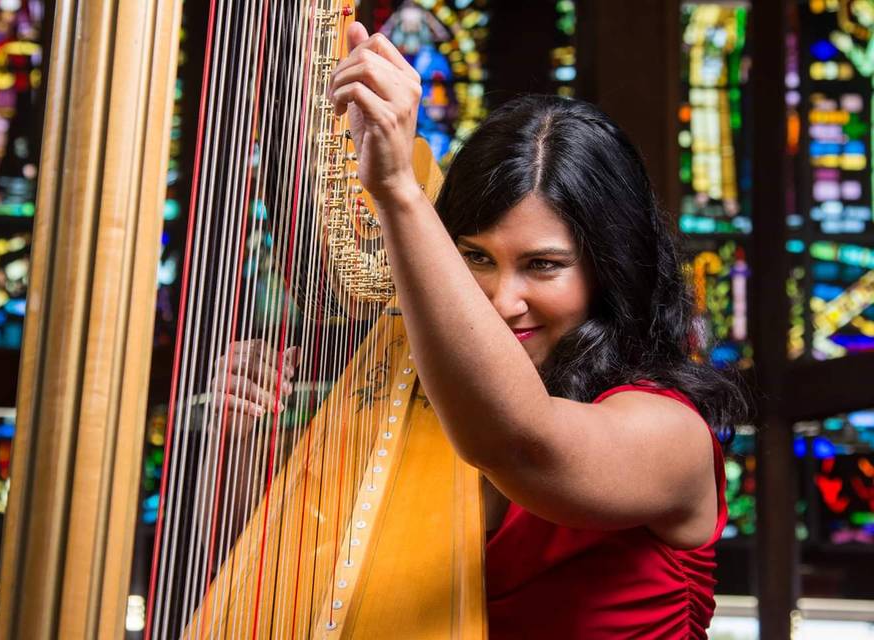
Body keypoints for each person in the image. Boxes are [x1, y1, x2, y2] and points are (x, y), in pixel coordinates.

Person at [318, 21, 748, 639]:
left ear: (609, 269)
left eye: (542, 266)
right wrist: (245, 436)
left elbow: (519, 442)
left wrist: (397, 193)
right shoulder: (418, 420)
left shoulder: (669, 431)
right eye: (476, 257)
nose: (501, 300)